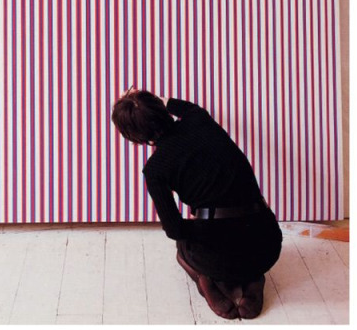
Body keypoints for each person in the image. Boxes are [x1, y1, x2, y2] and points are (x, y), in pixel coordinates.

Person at [111, 88, 282, 320]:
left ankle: (206, 281)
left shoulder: (155, 169)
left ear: (135, 137)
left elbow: (174, 230)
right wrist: (147, 101)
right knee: (245, 240)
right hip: (267, 244)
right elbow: (183, 106)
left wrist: (204, 225)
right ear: (161, 108)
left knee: (183, 249)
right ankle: (253, 278)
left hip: (216, 260)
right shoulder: (198, 119)